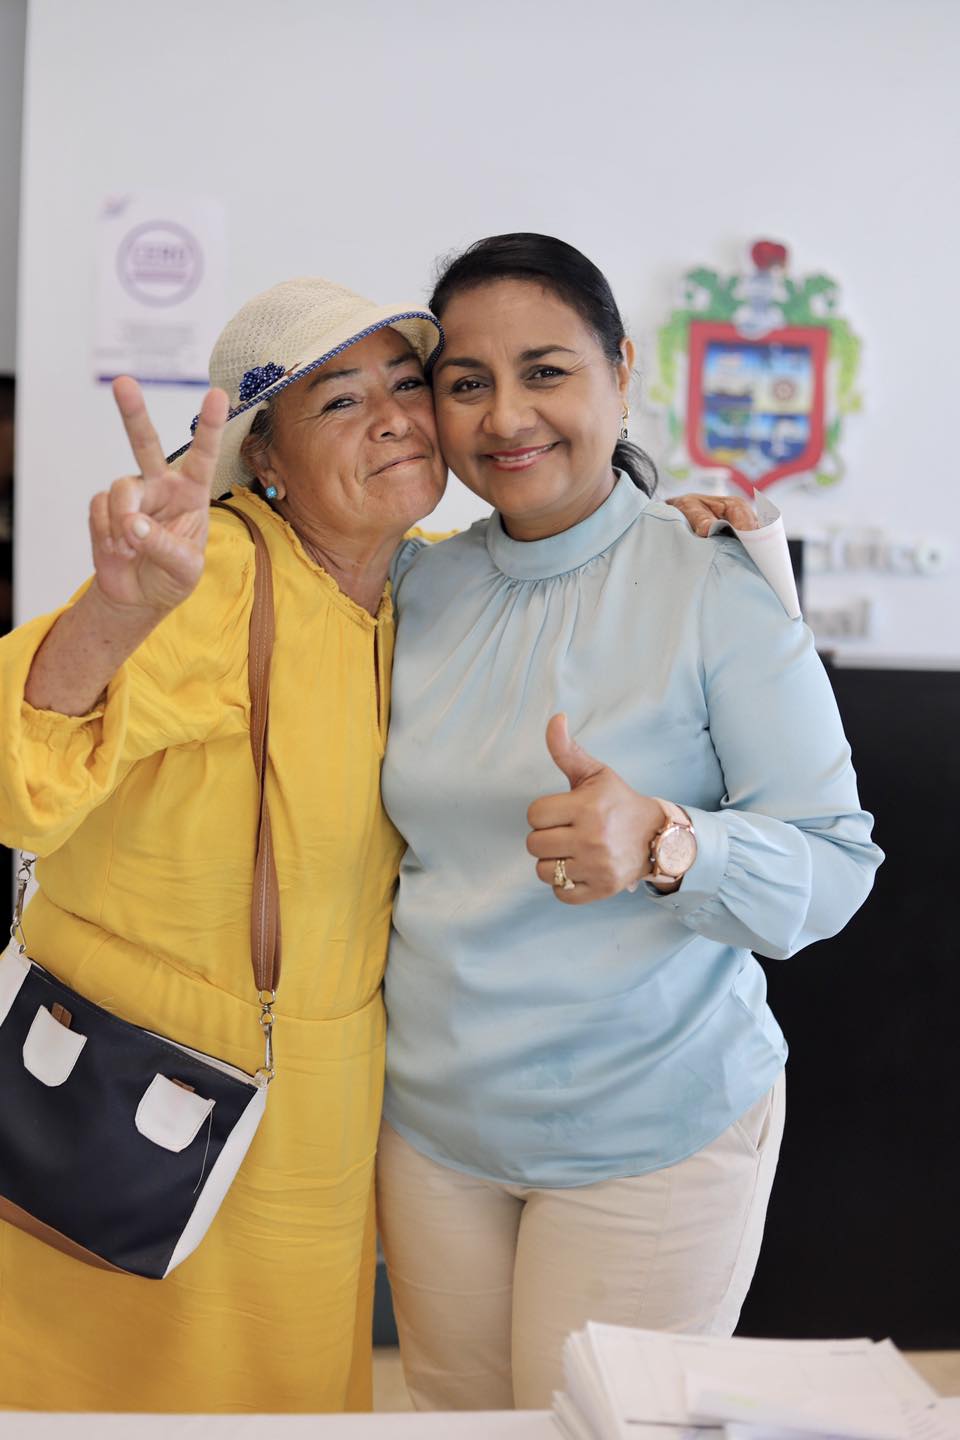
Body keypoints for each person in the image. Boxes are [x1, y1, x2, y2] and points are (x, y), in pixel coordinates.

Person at [374, 234, 884, 1410]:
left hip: (653, 1130)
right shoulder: (417, 586)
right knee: (458, 1426)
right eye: (467, 382)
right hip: (437, 1132)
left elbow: (836, 864)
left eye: (546, 371)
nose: (507, 416)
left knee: (610, 1429)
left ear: (620, 371)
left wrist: (668, 840)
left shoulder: (713, 581)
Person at [0, 278, 448, 1412]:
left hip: (316, 1108)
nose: (394, 418)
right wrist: (113, 615)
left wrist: (673, 528)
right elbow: (19, 776)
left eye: (407, 384)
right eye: (340, 400)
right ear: (268, 462)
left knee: (281, 1394)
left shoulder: (428, 582)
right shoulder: (222, 578)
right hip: (147, 1081)